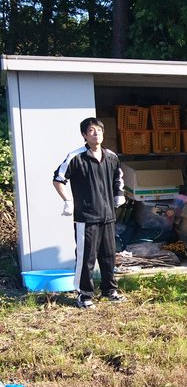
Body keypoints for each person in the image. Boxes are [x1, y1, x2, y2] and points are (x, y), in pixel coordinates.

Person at [53, 117, 126, 309]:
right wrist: (68, 201)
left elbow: (118, 177)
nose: (96, 134)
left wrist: (119, 194)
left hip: (108, 215)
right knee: (86, 258)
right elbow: (58, 179)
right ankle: (84, 295)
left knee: (109, 255)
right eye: (92, 130)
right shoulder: (76, 157)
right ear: (84, 135)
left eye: (99, 130)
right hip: (86, 217)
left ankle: (110, 290)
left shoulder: (111, 156)